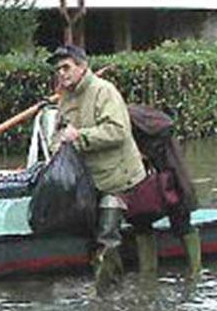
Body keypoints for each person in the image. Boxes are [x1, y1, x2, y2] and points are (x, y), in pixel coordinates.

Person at [48, 43, 147, 292]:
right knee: (85, 231)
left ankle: (108, 297)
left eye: (66, 68)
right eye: (58, 70)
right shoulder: (65, 99)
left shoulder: (104, 91)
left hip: (118, 178)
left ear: (82, 67)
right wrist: (57, 147)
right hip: (88, 180)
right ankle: (105, 285)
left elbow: (117, 131)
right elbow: (57, 135)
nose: (61, 74)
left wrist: (79, 137)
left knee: (107, 235)